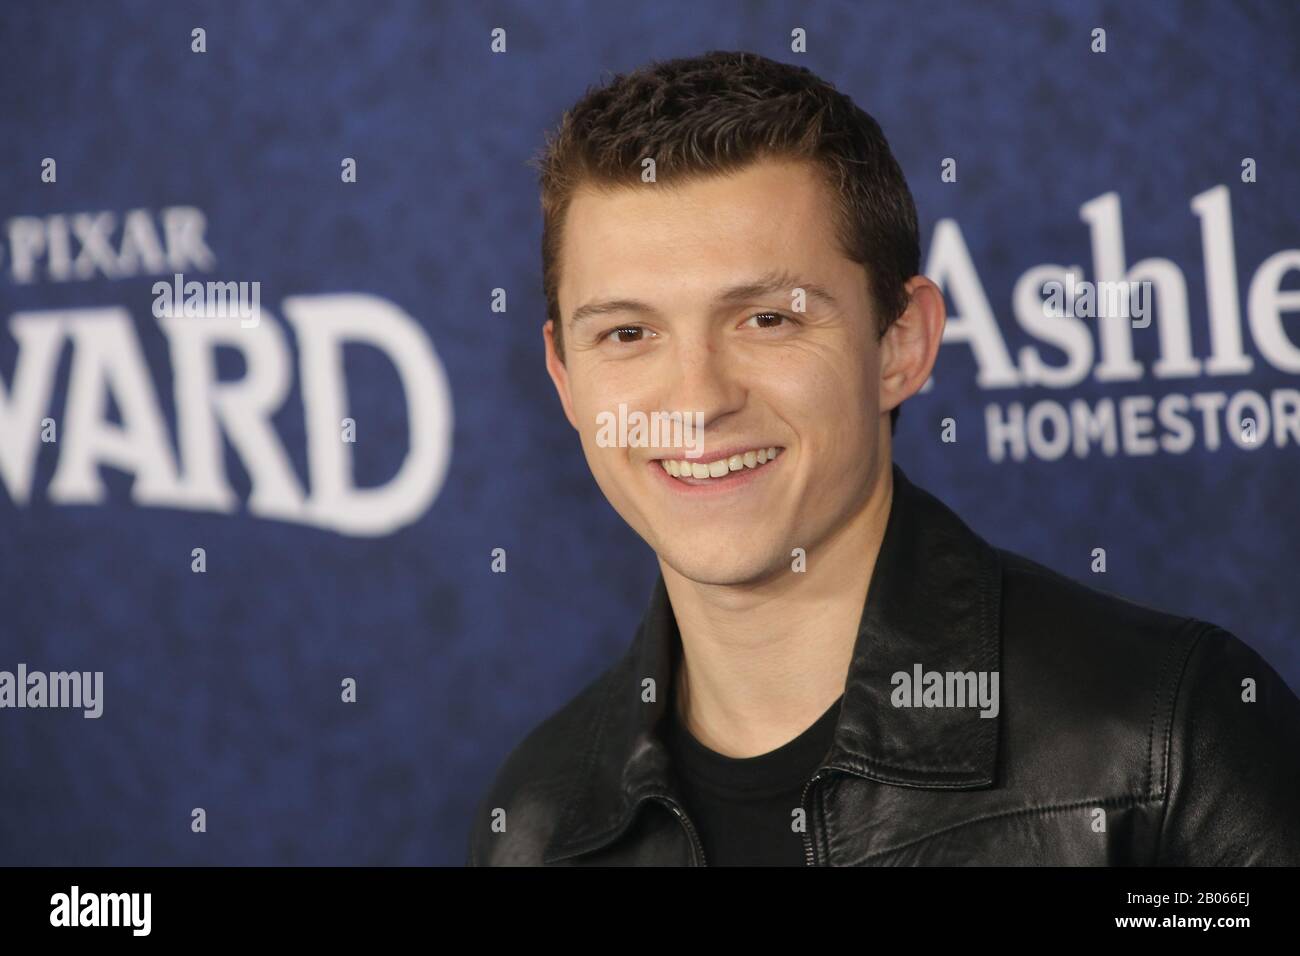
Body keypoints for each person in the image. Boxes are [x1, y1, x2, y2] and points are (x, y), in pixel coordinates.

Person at [466, 50, 1300, 866]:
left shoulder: (1161, 741)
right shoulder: (539, 826)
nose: (697, 401)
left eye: (768, 319)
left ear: (901, 345)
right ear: (565, 378)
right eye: (628, 334)